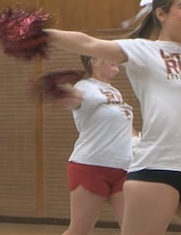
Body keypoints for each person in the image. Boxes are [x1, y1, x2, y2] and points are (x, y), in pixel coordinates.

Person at [42, 0, 181, 235]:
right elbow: (88, 43)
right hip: (156, 170)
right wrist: (42, 33)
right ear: (161, 14)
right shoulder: (144, 51)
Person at [57, 55, 133, 235]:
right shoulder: (84, 87)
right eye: (109, 54)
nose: (116, 58)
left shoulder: (114, 91)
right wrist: (62, 93)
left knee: (134, 229)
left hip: (123, 168)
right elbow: (75, 101)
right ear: (95, 60)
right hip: (91, 167)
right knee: (79, 231)